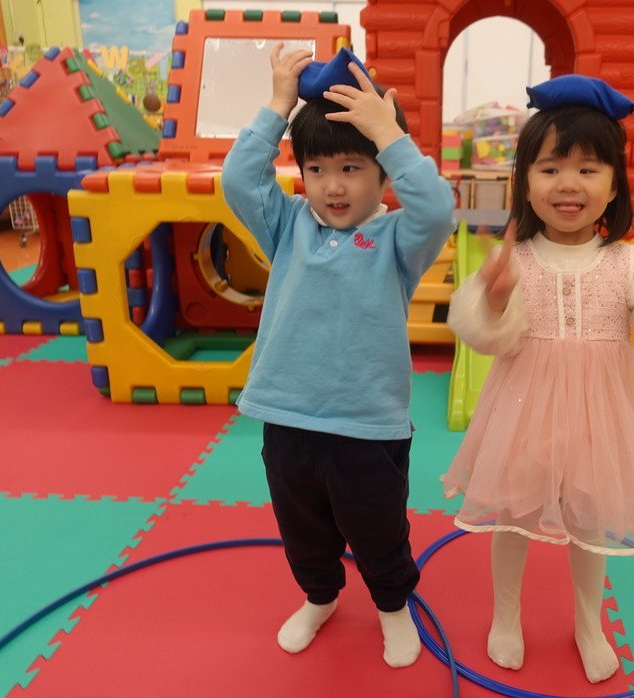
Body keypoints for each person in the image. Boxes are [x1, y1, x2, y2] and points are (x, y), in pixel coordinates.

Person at [440, 74, 634, 684]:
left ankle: (589, 623)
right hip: (525, 406)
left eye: (588, 170)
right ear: (526, 182)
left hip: (600, 414)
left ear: (614, 185)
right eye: (550, 169)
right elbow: (484, 333)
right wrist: (493, 299)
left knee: (589, 520)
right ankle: (506, 616)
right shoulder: (512, 260)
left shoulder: (632, 262)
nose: (568, 184)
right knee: (513, 514)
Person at [221, 45, 455, 668]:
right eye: (318, 168)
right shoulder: (288, 225)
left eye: (352, 167)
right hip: (288, 419)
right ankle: (319, 596)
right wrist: (278, 105)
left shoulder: (397, 239)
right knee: (303, 529)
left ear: (381, 175)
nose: (333, 185)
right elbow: (238, 180)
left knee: (378, 531)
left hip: (366, 426)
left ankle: (392, 607)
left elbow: (437, 208)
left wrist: (389, 134)